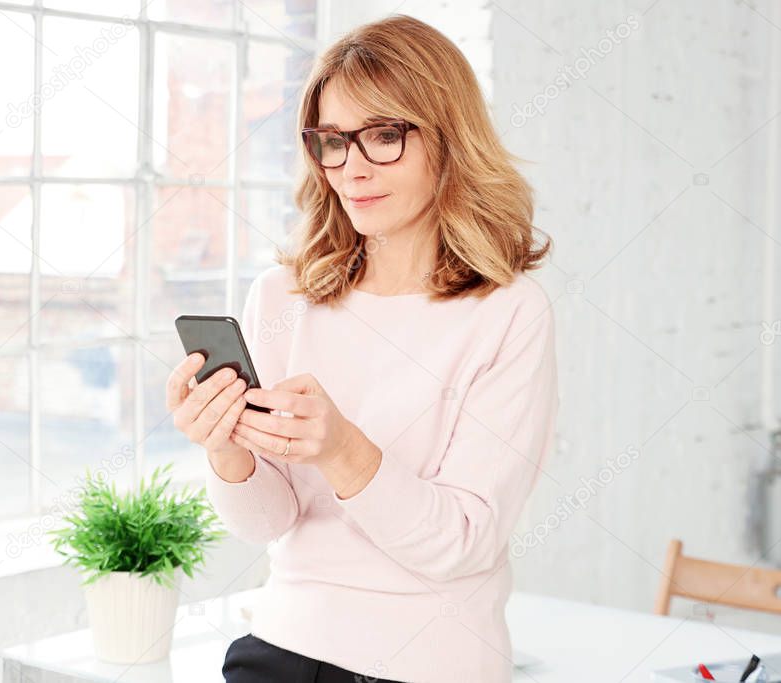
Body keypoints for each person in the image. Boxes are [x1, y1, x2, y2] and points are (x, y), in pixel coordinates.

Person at [165, 14, 559, 683]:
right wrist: (224, 449)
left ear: (449, 138)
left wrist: (343, 449)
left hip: (430, 665)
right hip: (278, 648)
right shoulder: (282, 296)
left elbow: (462, 543)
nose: (352, 169)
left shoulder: (507, 313)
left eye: (383, 136)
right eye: (332, 142)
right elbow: (269, 522)